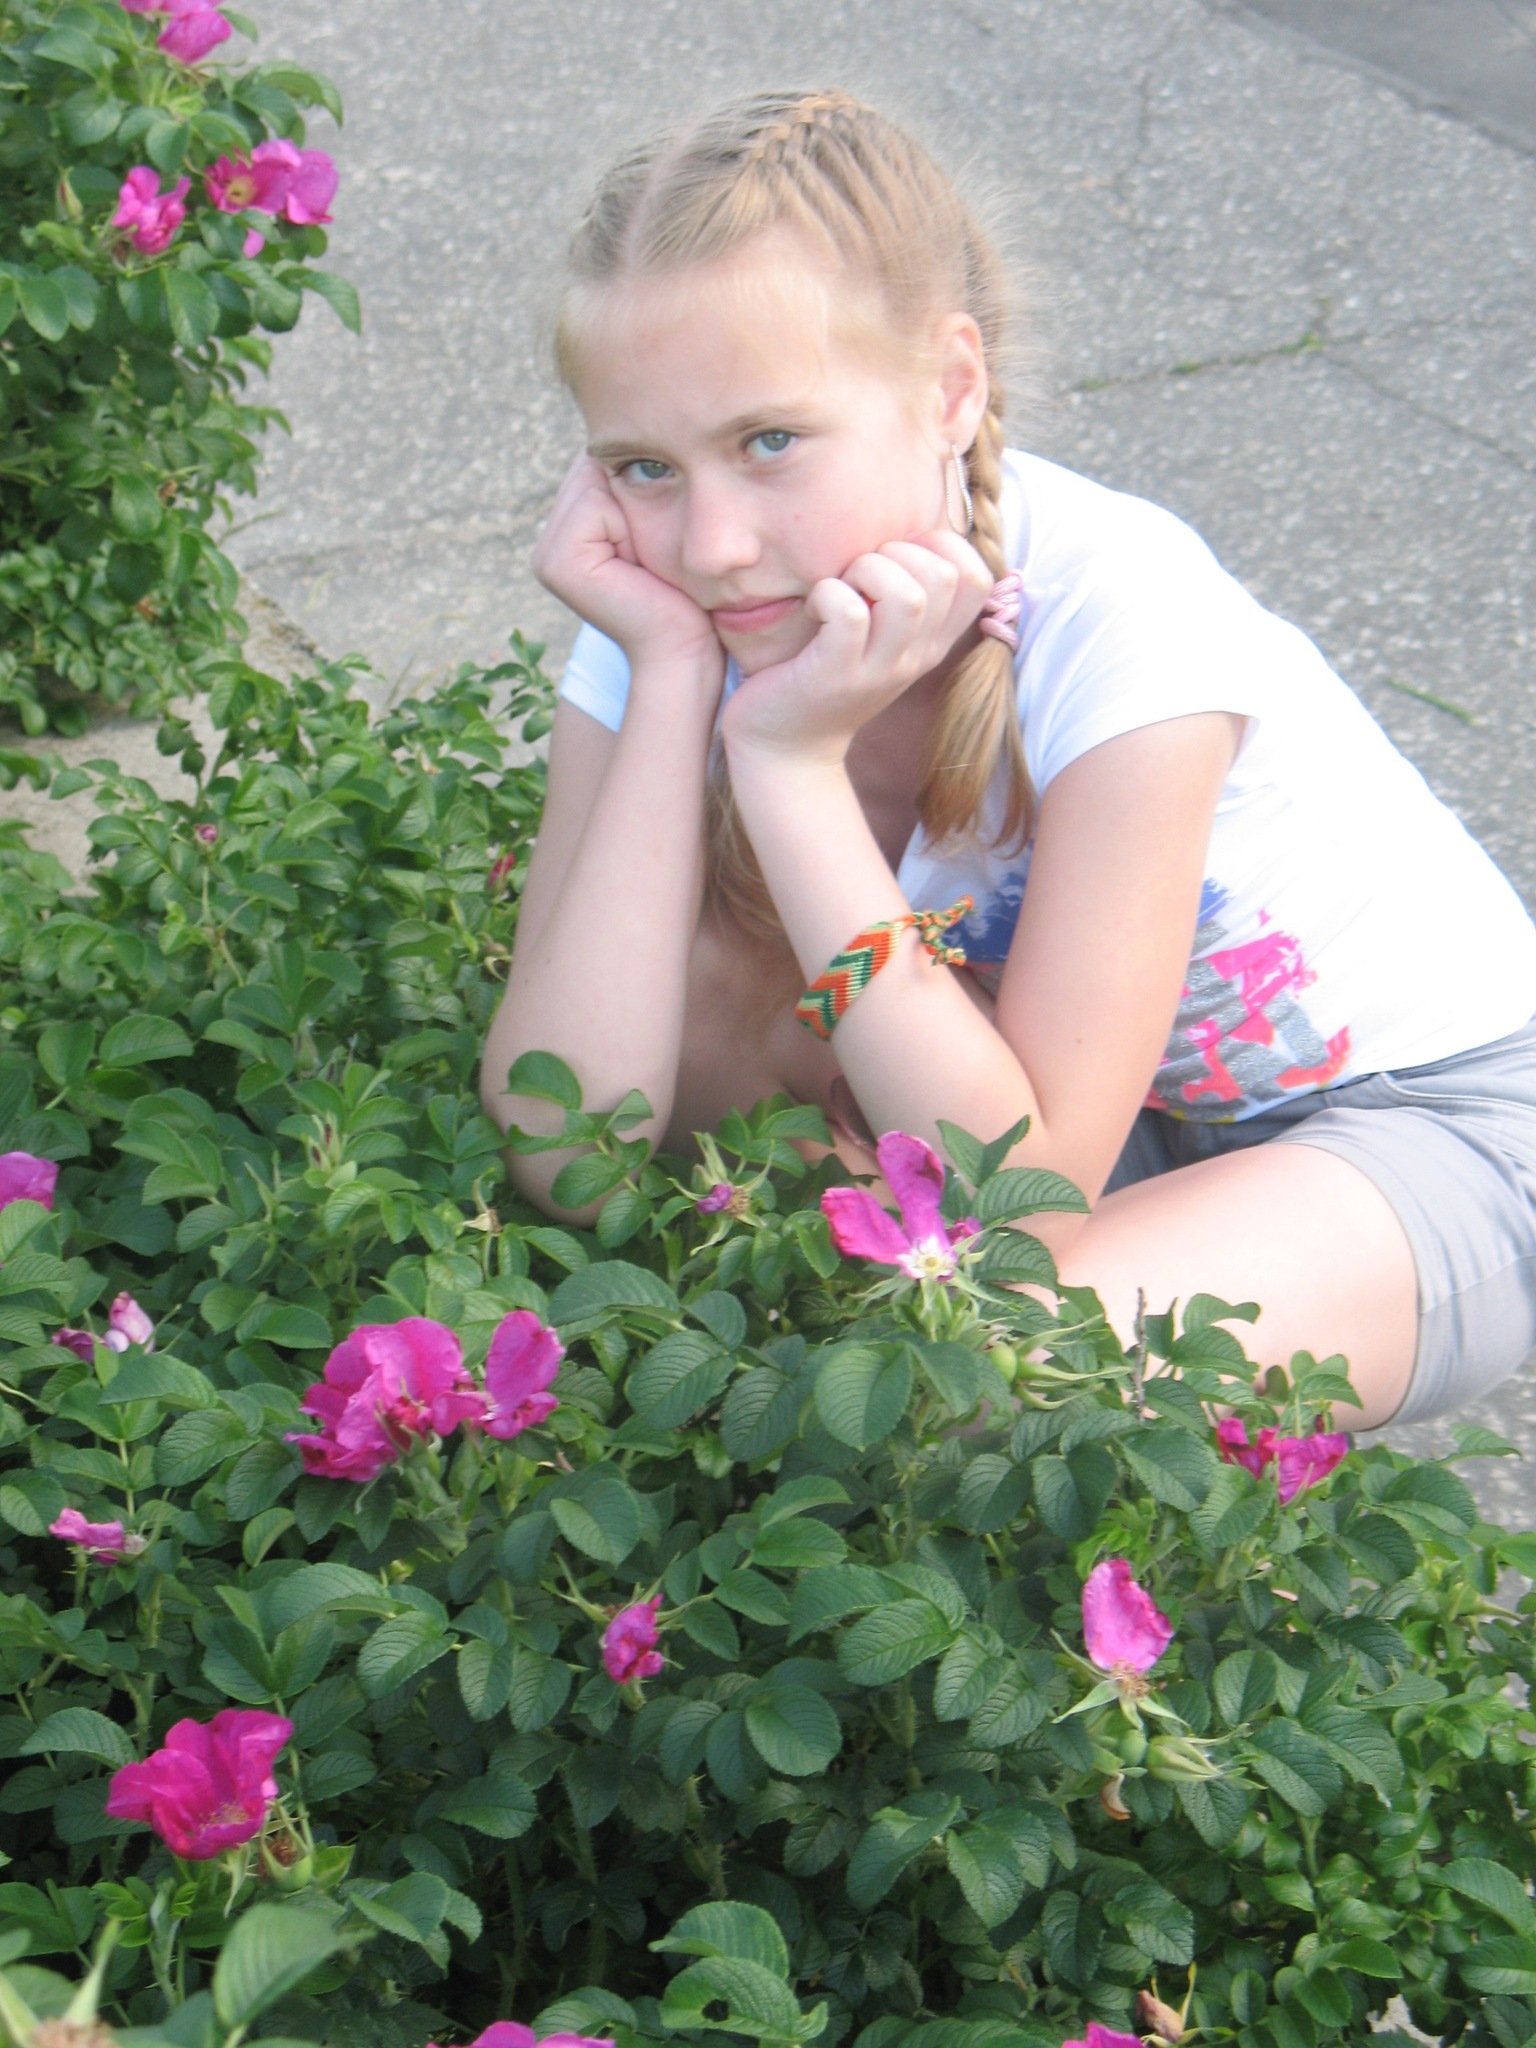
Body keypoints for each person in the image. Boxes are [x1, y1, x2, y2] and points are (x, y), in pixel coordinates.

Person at [481, 88, 1536, 1431]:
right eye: (642, 467)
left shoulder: (1123, 616)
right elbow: (563, 1145)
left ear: (950, 391)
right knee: (713, 1017)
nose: (713, 544)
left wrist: (788, 769)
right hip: (1087, 1109)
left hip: (1418, 1119)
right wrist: (676, 677)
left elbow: (1022, 1219)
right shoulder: (668, 610)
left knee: (985, 1363)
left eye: (769, 441)